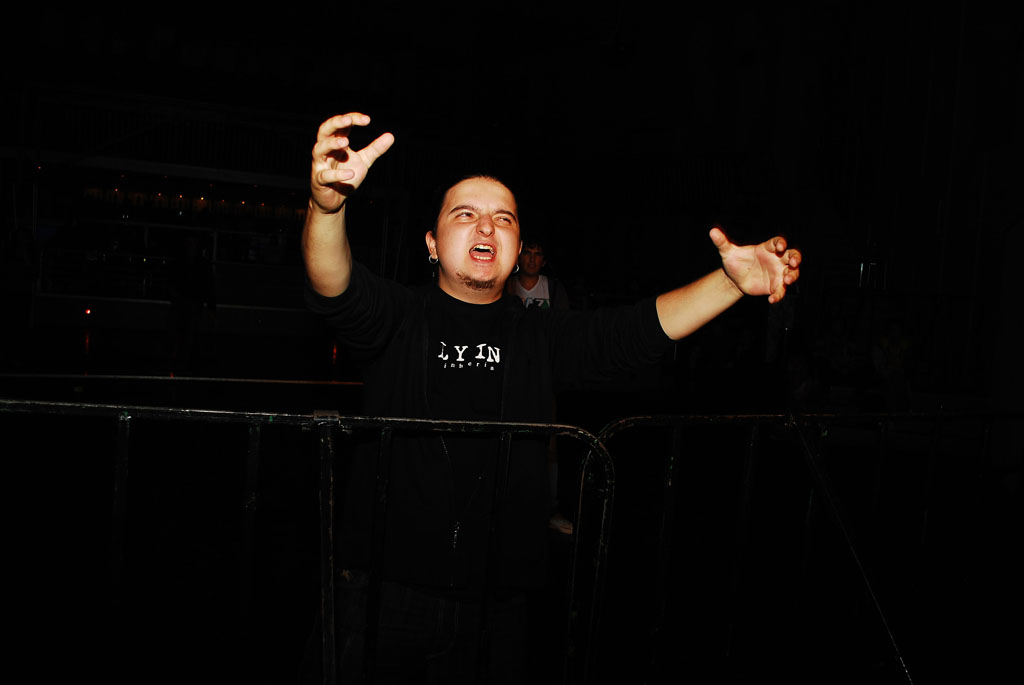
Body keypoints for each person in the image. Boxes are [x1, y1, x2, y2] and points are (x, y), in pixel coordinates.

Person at [301, 113, 801, 684]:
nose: (486, 226)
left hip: (497, 604)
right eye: (465, 215)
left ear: (518, 249)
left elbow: (636, 332)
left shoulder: (541, 336)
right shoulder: (397, 316)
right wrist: (327, 208)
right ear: (432, 244)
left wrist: (731, 283)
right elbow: (332, 282)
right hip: (380, 594)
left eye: (504, 219)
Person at [506, 237, 570, 310]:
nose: (532, 259)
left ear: (543, 261)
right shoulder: (506, 285)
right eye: (527, 253)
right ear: (518, 258)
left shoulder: (554, 287)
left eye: (537, 254)